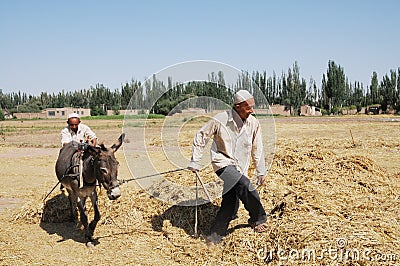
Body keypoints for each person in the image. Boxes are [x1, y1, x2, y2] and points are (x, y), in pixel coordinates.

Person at [188, 89, 268, 246]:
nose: (252, 110)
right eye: (248, 107)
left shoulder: (253, 123)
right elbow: (201, 136)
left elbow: (257, 148)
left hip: (241, 167)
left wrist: (261, 170)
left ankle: (214, 235)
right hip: (222, 163)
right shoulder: (220, 120)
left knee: (230, 201)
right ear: (237, 107)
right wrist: (195, 161)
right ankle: (258, 218)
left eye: (252, 107)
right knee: (245, 185)